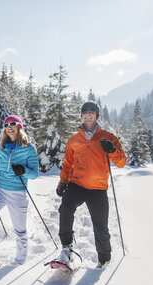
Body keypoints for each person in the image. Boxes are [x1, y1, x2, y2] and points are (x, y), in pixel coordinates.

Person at [56, 101, 127, 268]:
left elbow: (122, 162)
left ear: (97, 115)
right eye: (85, 111)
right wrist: (62, 183)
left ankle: (104, 260)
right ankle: (66, 249)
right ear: (81, 115)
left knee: (101, 226)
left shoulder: (108, 137)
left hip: (98, 188)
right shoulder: (74, 140)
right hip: (77, 184)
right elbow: (67, 164)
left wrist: (112, 150)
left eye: (92, 111)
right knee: (65, 209)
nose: (88, 114)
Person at [0, 115, 39, 266]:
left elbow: (35, 173)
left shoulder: (28, 148)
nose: (9, 127)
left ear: (19, 126)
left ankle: (19, 261)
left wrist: (23, 170)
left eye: (13, 124)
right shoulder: (2, 146)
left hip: (17, 192)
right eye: (6, 125)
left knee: (19, 230)